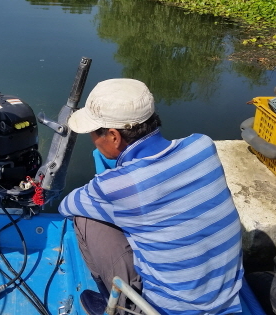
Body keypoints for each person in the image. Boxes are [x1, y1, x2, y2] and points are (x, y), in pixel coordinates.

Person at [59, 79, 244, 314]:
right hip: (228, 300)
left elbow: (67, 206)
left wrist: (108, 179)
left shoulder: (117, 185)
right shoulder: (203, 145)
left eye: (94, 134)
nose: (93, 140)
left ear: (114, 137)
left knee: (86, 220)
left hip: (166, 310)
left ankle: (118, 307)